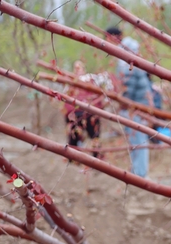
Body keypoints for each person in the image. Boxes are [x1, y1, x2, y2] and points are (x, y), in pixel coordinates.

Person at [106, 27, 151, 178]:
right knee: (135, 138)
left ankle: (140, 173)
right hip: (137, 102)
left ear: (113, 37)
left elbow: (129, 83)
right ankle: (137, 171)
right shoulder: (130, 52)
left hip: (135, 104)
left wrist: (123, 102)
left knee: (137, 138)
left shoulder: (125, 56)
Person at [63, 61, 105, 157]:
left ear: (84, 69)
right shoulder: (70, 81)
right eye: (76, 68)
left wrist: (100, 106)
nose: (78, 70)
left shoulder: (91, 79)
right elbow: (65, 99)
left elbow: (101, 92)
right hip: (75, 113)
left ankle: (97, 158)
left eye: (79, 67)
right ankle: (72, 157)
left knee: (94, 136)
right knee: (73, 137)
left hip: (90, 112)